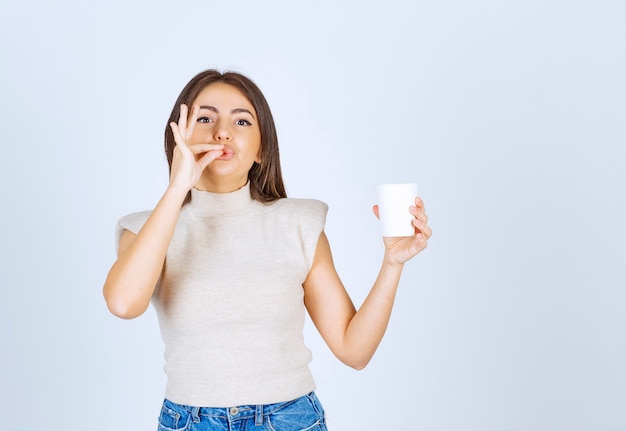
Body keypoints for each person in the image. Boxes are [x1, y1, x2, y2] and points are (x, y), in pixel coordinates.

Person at [103, 69, 432, 431]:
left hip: (290, 420)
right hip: (189, 422)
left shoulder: (298, 223)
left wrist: (393, 263)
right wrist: (179, 186)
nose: (222, 132)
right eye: (205, 118)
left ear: (261, 149)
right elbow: (123, 304)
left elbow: (354, 351)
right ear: (178, 135)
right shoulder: (143, 230)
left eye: (241, 121)